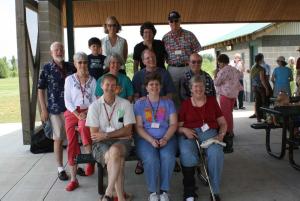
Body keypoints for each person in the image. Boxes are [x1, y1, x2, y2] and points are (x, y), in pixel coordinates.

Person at [86, 74, 136, 201]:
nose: (110, 88)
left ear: (117, 88)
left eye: (113, 85)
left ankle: (108, 192)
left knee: (114, 152)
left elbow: (128, 130)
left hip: (121, 142)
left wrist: (107, 135)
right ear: (102, 86)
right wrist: (120, 132)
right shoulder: (95, 106)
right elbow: (95, 135)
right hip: (100, 145)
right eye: (107, 84)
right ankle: (120, 197)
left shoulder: (124, 104)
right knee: (117, 159)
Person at [178, 75, 227, 201]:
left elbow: (223, 123)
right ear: (191, 89)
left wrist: (221, 135)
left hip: (210, 134)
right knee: (187, 153)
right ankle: (189, 192)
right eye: (195, 86)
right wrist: (184, 130)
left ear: (205, 88)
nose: (198, 89)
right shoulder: (185, 104)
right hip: (190, 134)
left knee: (216, 153)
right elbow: (177, 127)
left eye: (201, 86)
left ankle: (214, 191)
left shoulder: (212, 101)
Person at [134, 72, 178, 201]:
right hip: (145, 139)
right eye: (151, 84)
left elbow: (174, 124)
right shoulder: (139, 104)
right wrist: (151, 140)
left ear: (160, 86)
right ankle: (153, 192)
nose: (154, 87)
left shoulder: (168, 103)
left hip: (167, 137)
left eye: (157, 84)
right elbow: (139, 127)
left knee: (168, 157)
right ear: (146, 87)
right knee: (151, 159)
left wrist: (165, 138)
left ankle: (164, 191)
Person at [38, 41, 76, 181]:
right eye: (56, 50)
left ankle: (74, 164)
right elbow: (40, 90)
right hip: (55, 109)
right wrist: (43, 109)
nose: (59, 52)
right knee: (58, 138)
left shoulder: (71, 66)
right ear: (51, 53)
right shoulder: (46, 68)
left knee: (73, 139)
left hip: (72, 109)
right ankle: (60, 168)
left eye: (61, 49)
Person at [64, 52, 97, 191]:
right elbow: (67, 100)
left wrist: (87, 112)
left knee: (84, 128)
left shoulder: (93, 80)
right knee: (71, 142)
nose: (83, 65)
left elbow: (95, 100)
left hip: (88, 110)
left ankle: (90, 159)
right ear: (75, 64)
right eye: (80, 62)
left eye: (85, 62)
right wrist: (77, 114)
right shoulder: (69, 80)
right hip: (73, 112)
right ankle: (73, 179)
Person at [162, 10, 201, 106]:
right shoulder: (165, 38)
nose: (174, 23)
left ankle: (191, 115)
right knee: (173, 94)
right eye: (171, 21)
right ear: (169, 23)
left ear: (180, 21)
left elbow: (197, 52)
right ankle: (177, 117)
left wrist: (196, 68)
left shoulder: (189, 35)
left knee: (190, 91)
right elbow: (163, 56)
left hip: (188, 67)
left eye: (176, 20)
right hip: (172, 69)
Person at [214, 54, 242, 153]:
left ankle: (228, 133)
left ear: (221, 62)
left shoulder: (222, 71)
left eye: (219, 62)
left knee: (225, 116)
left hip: (225, 95)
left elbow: (217, 82)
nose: (218, 64)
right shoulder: (234, 69)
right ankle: (231, 131)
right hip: (234, 95)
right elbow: (240, 75)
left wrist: (216, 74)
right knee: (229, 114)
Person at [250, 53, 270, 122]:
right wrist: (267, 88)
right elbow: (262, 79)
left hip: (254, 87)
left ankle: (258, 118)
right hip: (261, 87)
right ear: (261, 59)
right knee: (264, 102)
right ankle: (265, 118)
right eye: (262, 58)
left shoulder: (252, 67)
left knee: (257, 102)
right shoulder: (261, 68)